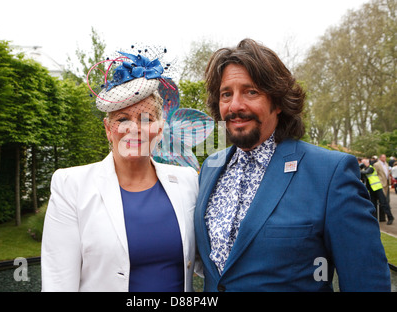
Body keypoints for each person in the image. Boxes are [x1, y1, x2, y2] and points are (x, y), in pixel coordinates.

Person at [194, 38, 391, 292]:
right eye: (226, 94)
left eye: (251, 91)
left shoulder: (330, 172)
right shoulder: (210, 167)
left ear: (278, 102)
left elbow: (367, 281)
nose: (235, 105)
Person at [41, 50, 198, 292]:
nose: (134, 128)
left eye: (146, 118)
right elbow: (58, 282)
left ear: (160, 127)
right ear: (108, 129)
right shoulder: (71, 185)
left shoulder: (188, 182)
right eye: (122, 119)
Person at [360, 158, 394, 225]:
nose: (362, 164)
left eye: (363, 163)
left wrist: (358, 169)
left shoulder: (371, 168)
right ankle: (375, 219)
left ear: (367, 162)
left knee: (383, 203)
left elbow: (366, 172)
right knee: (373, 205)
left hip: (377, 188)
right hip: (371, 190)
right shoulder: (363, 169)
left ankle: (390, 217)